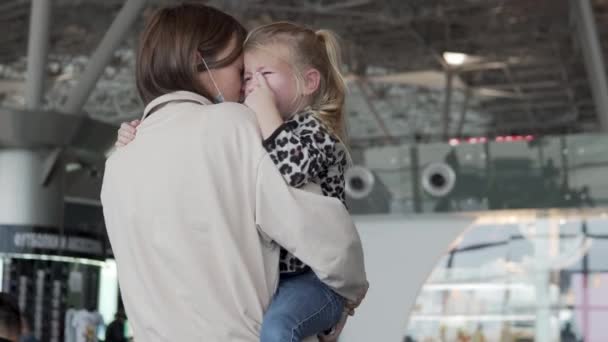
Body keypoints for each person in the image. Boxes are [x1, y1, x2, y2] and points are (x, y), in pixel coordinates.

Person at [101, 3, 368, 342]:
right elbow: (321, 234)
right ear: (201, 59)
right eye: (240, 68)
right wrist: (350, 291)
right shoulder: (234, 126)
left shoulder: (120, 158)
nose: (246, 87)